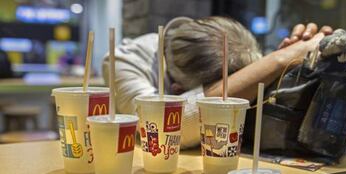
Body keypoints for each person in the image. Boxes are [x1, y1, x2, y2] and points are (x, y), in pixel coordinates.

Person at [103, 16, 332, 149]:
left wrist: (281, 72)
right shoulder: (123, 61)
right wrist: (277, 61)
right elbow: (160, 129)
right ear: (179, 90)